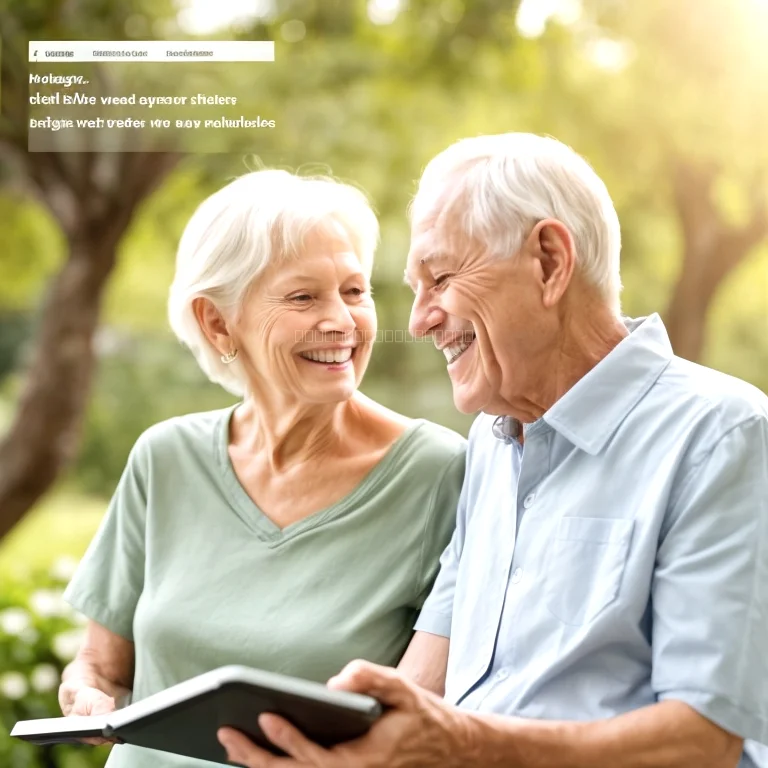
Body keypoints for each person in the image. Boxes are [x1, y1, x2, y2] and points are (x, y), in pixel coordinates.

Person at [218, 133, 768, 768]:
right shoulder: (492, 440)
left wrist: (462, 745)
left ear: (549, 262)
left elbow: (704, 739)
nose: (420, 319)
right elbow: (425, 681)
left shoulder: (722, 435)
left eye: (441, 277)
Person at [58, 169, 467, 768]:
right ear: (218, 322)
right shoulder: (164, 458)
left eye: (355, 291)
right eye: (304, 297)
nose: (343, 322)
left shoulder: (438, 474)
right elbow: (102, 664)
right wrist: (86, 692)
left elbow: (423, 721)